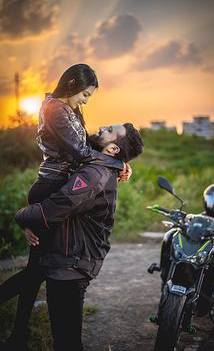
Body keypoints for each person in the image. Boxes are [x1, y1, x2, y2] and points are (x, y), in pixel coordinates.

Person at [0, 64, 130, 350]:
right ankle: (17, 335)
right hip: (50, 188)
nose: (86, 100)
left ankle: (18, 336)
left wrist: (118, 158)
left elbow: (88, 144)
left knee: (38, 267)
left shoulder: (67, 110)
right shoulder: (55, 109)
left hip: (55, 186)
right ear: (72, 84)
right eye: (85, 94)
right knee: (37, 269)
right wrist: (115, 161)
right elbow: (80, 152)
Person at [14, 123, 144, 351]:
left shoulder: (94, 175)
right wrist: (120, 163)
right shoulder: (97, 165)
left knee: (67, 343)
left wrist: (21, 216)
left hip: (70, 266)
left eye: (110, 130)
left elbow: (50, 211)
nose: (103, 127)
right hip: (67, 260)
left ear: (113, 149)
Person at [159, 183, 214, 316]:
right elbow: (189, 225)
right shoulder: (199, 218)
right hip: (194, 250)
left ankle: (206, 295)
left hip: (208, 254)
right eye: (212, 198)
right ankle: (165, 272)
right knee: (170, 235)